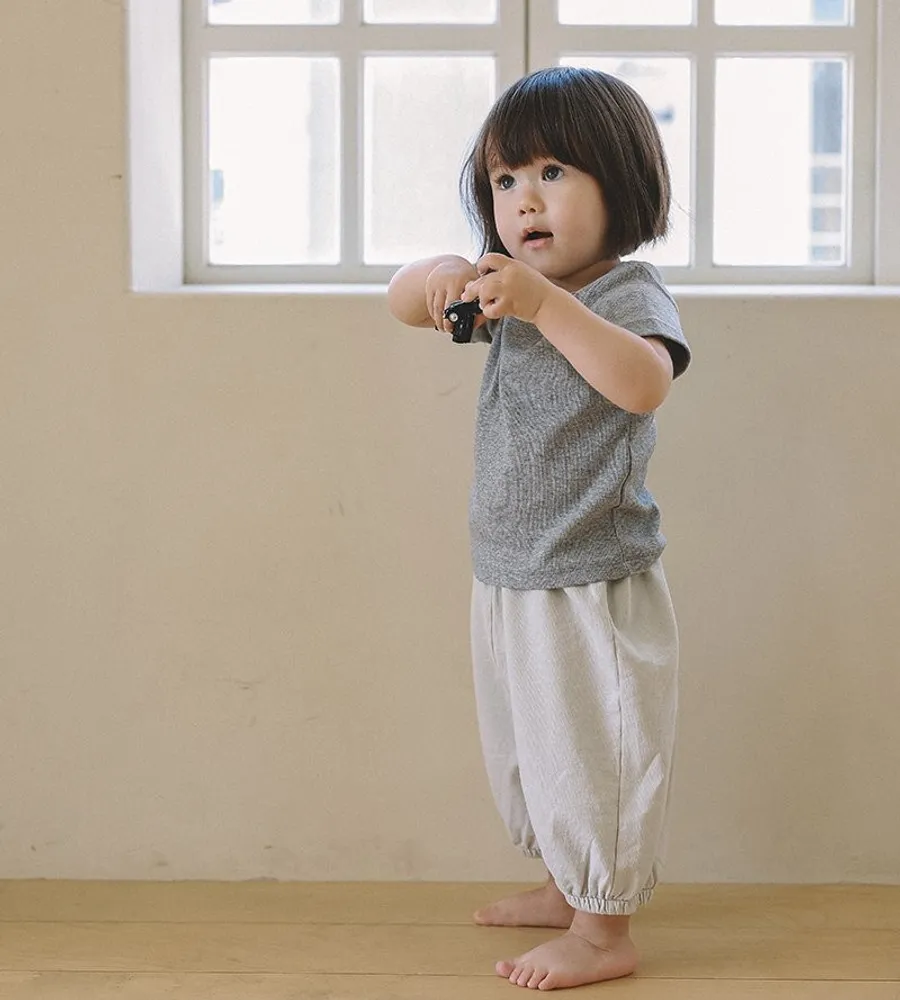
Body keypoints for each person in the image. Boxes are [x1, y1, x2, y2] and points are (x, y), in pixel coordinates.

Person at [387, 66, 691, 991]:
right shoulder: (510, 291)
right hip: (512, 571)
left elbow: (643, 383)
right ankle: (566, 886)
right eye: (505, 179)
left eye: (553, 172)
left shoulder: (623, 294)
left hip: (591, 580)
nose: (525, 199)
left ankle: (603, 930)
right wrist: (441, 275)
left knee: (595, 753)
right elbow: (398, 299)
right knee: (536, 747)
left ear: (620, 182)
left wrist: (546, 305)